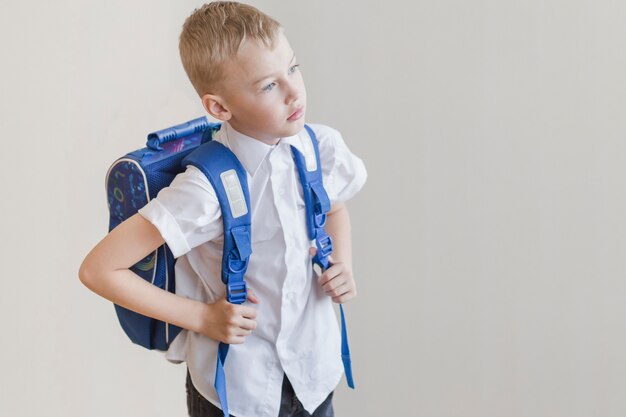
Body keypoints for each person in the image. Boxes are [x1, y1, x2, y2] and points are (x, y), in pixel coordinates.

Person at [78, 2, 367, 416]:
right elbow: (98, 269)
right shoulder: (206, 188)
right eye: (268, 85)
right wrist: (202, 318)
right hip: (237, 390)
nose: (293, 92)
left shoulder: (318, 147)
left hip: (314, 371)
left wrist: (343, 263)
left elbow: (334, 208)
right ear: (218, 108)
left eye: (293, 68)